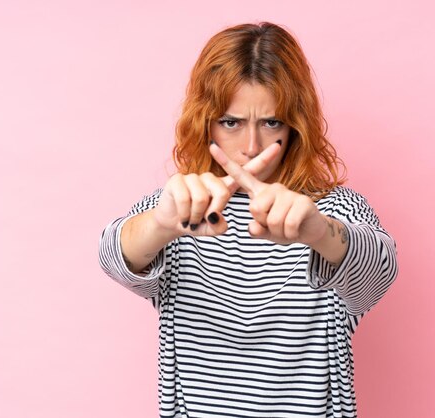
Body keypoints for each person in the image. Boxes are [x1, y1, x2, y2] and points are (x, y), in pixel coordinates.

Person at [99, 22, 398, 418]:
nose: (252, 147)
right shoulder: (181, 206)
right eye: (231, 122)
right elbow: (112, 255)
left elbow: (379, 273)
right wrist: (161, 224)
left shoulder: (336, 210)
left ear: (295, 125)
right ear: (204, 122)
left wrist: (315, 230)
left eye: (271, 122)